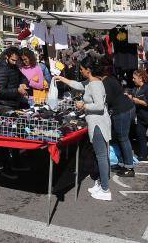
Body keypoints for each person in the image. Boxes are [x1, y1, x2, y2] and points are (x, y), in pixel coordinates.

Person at [56, 60, 112, 200]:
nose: (80, 71)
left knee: (101, 156)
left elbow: (99, 106)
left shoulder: (96, 85)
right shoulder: (90, 82)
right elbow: (78, 85)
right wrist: (62, 78)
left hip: (99, 124)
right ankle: (101, 183)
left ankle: (105, 190)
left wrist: (84, 106)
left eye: (81, 69)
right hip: (95, 123)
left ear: (88, 70)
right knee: (99, 155)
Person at [0, 47, 27, 178]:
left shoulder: (14, 67)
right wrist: (17, 91)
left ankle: (16, 163)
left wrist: (23, 84)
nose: (15, 62)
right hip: (5, 107)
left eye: (16, 60)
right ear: (7, 57)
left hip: (14, 105)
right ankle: (4, 167)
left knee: (15, 136)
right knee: (4, 139)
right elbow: (0, 91)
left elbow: (23, 77)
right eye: (13, 60)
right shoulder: (2, 69)